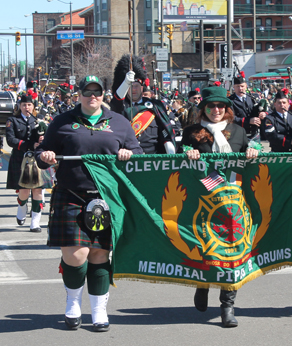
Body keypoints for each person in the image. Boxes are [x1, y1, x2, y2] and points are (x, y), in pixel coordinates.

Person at [35, 75, 143, 332]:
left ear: (103, 94)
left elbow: (137, 153)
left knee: (99, 255)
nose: (92, 96)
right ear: (79, 94)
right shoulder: (61, 122)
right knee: (75, 255)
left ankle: (98, 310)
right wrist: (46, 156)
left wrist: (128, 154)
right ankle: (73, 302)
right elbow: (42, 154)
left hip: (106, 196)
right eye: (87, 92)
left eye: (97, 92)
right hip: (71, 193)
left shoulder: (119, 122)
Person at [181, 86, 259, 328]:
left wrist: (254, 151)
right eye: (211, 106)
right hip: (204, 201)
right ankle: (202, 284)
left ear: (227, 109)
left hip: (233, 203)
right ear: (203, 108)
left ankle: (227, 306)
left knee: (233, 252)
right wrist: (188, 152)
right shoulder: (192, 132)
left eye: (221, 106)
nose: (216, 110)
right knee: (205, 246)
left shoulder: (238, 131)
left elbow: (249, 152)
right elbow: (180, 156)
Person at [110, 54, 177, 154]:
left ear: (142, 88)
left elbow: (164, 131)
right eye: (131, 86)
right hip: (127, 157)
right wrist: (125, 82)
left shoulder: (155, 105)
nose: (134, 89)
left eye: (136, 86)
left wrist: (169, 147)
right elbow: (116, 102)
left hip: (152, 159)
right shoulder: (121, 106)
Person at [6, 94, 52, 232]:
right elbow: (10, 140)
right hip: (20, 159)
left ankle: (35, 222)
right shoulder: (12, 120)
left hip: (37, 159)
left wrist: (43, 137)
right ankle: (21, 207)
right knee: (24, 190)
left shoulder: (38, 121)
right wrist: (30, 145)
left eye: (29, 105)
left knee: (38, 190)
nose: (27, 107)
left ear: (33, 107)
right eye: (24, 105)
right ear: (20, 106)